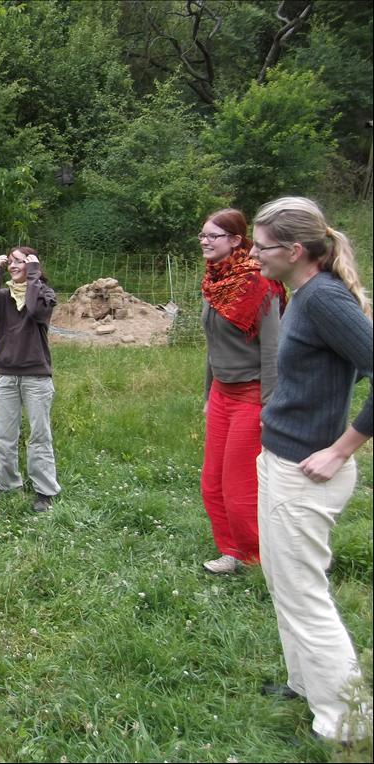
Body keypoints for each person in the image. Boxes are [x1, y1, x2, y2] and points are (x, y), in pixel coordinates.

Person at [251, 196, 372, 744]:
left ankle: (347, 724)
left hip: (307, 473)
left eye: (262, 247)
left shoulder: (323, 297)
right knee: (284, 583)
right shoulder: (302, 293)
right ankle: (307, 686)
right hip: (281, 460)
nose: (254, 255)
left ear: (295, 250)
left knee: (305, 595)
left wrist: (342, 448)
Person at [198, 209, 286, 575]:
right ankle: (232, 551)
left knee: (239, 486)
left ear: (236, 240)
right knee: (211, 483)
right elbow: (212, 345)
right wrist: (208, 395)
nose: (205, 241)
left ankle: (256, 559)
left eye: (213, 236)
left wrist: (270, 407)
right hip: (222, 393)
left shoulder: (260, 285)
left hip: (251, 395)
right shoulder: (213, 282)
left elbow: (273, 351)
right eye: (202, 235)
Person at [0, 246, 62, 513]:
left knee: (39, 436)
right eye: (10, 262)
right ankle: (7, 485)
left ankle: (45, 491)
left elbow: (35, 312)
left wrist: (34, 274)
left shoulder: (45, 295)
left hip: (36, 377)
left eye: (19, 262)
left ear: (32, 266)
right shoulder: (4, 298)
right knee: (5, 436)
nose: (13, 266)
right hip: (6, 376)